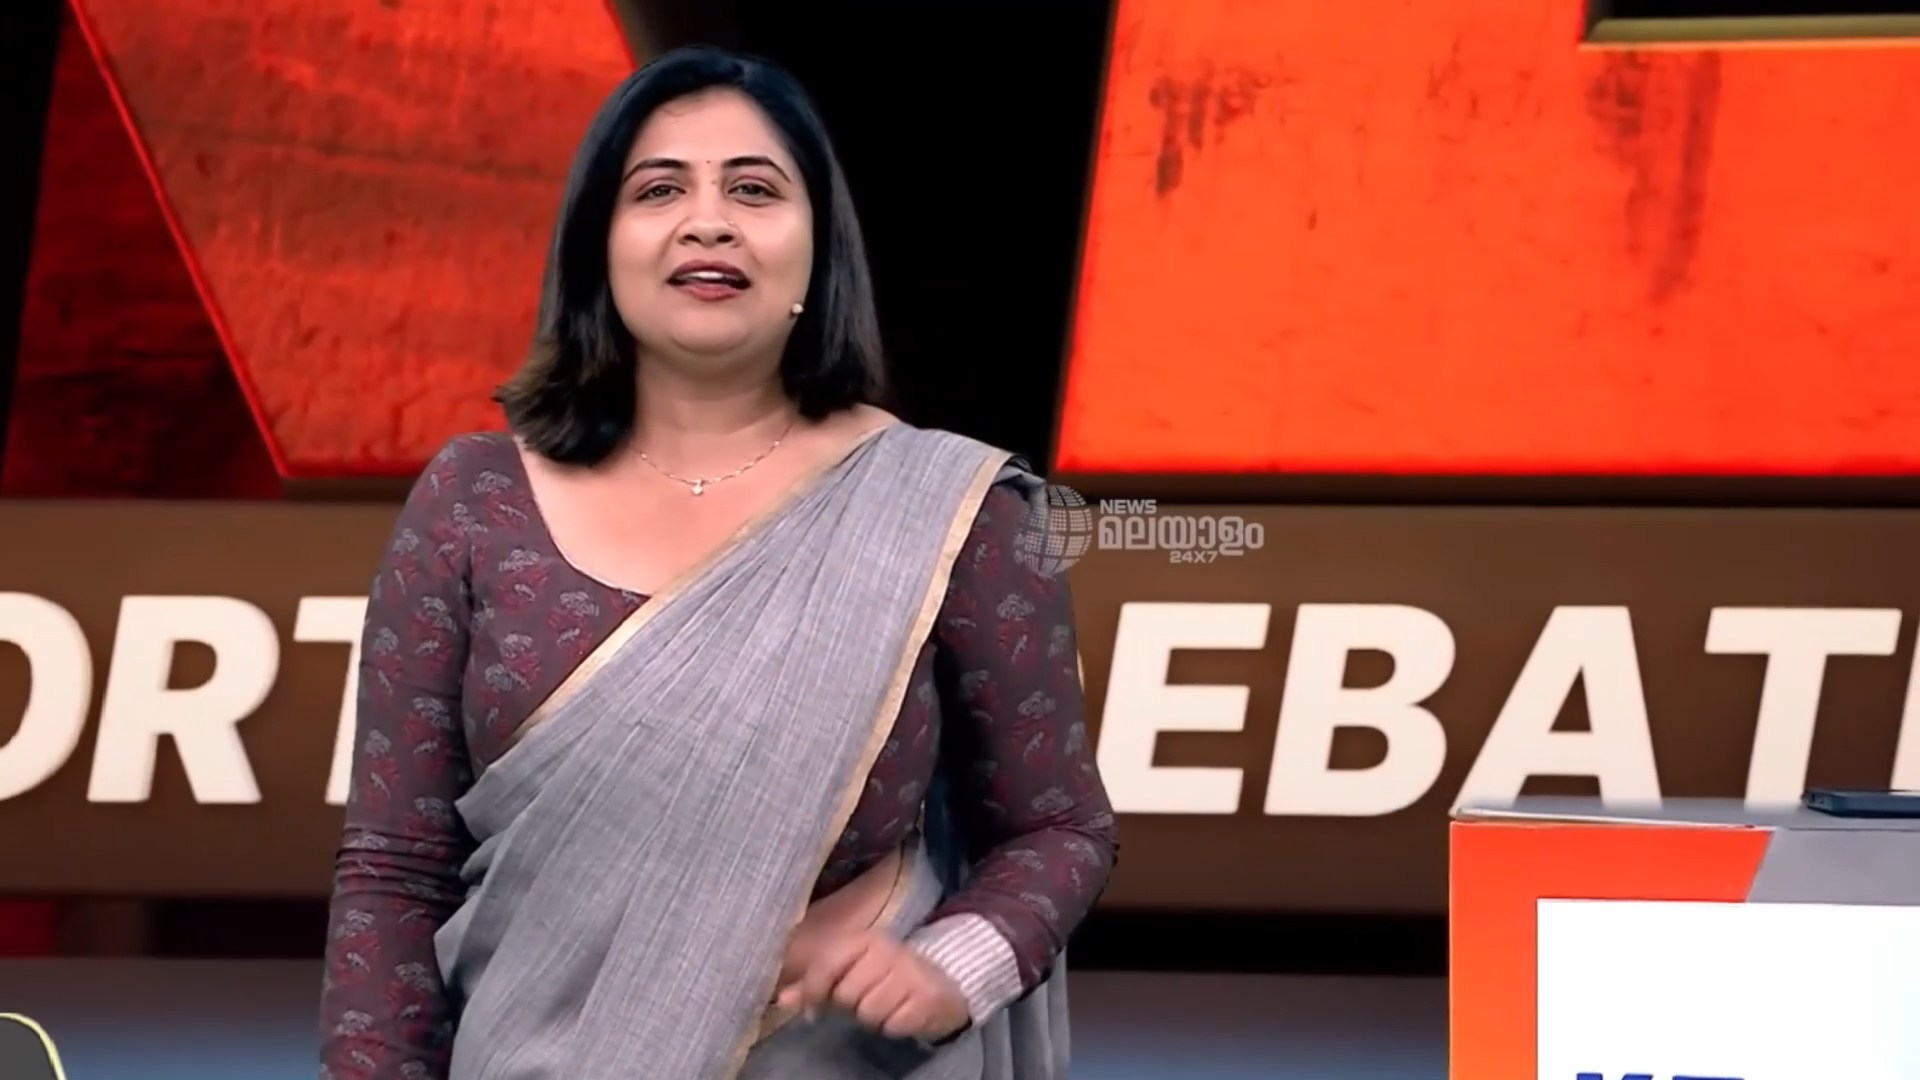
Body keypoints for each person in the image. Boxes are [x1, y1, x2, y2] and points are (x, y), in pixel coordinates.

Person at [317, 44, 1117, 1080]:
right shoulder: (474, 501)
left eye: (754, 189)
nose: (709, 221)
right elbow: (396, 870)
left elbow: (1059, 828)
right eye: (660, 190)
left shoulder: (951, 511)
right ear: (599, 246)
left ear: (818, 249)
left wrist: (955, 963)